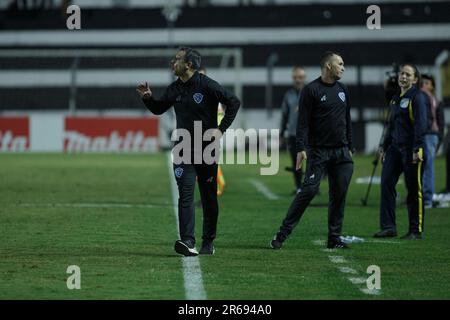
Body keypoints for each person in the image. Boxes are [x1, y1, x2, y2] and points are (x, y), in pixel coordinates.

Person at [136, 47, 240, 256]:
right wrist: (148, 98)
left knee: (209, 196)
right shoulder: (175, 88)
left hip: (207, 148)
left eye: (177, 59)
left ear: (189, 65)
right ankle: (187, 241)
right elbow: (158, 108)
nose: (172, 62)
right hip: (183, 148)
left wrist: (220, 131)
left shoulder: (207, 85)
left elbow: (234, 102)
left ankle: (208, 241)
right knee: (185, 193)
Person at [270, 51, 354, 250]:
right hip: (319, 152)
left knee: (339, 193)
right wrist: (301, 148)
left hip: (342, 152)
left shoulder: (343, 90)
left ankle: (334, 238)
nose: (343, 67)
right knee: (309, 190)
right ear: (328, 67)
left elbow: (347, 120)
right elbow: (303, 122)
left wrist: (350, 146)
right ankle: (282, 233)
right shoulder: (311, 90)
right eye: (340, 64)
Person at [374, 64, 428, 240]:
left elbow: (421, 124)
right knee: (386, 183)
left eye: (407, 74)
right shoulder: (396, 98)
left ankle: (415, 231)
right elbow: (391, 125)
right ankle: (389, 227)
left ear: (414, 79)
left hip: (411, 149)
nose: (403, 76)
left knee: (413, 190)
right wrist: (383, 146)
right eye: (401, 74)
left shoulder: (417, 97)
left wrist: (417, 148)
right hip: (394, 150)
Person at [280, 66, 306, 194]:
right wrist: (281, 133)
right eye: (295, 77)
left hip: (308, 134)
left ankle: (312, 186)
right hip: (292, 134)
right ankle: (298, 187)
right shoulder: (288, 95)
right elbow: (284, 115)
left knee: (313, 161)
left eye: (300, 77)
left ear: (304, 78)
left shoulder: (310, 92)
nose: (298, 80)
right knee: (297, 162)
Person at [420, 74, 445, 208]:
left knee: (428, 166)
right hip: (426, 135)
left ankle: (427, 199)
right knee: (421, 166)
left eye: (427, 83)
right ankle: (420, 197)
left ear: (433, 86)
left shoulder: (435, 100)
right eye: (423, 82)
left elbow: (441, 123)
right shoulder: (421, 97)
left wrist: (438, 138)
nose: (424, 85)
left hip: (430, 135)